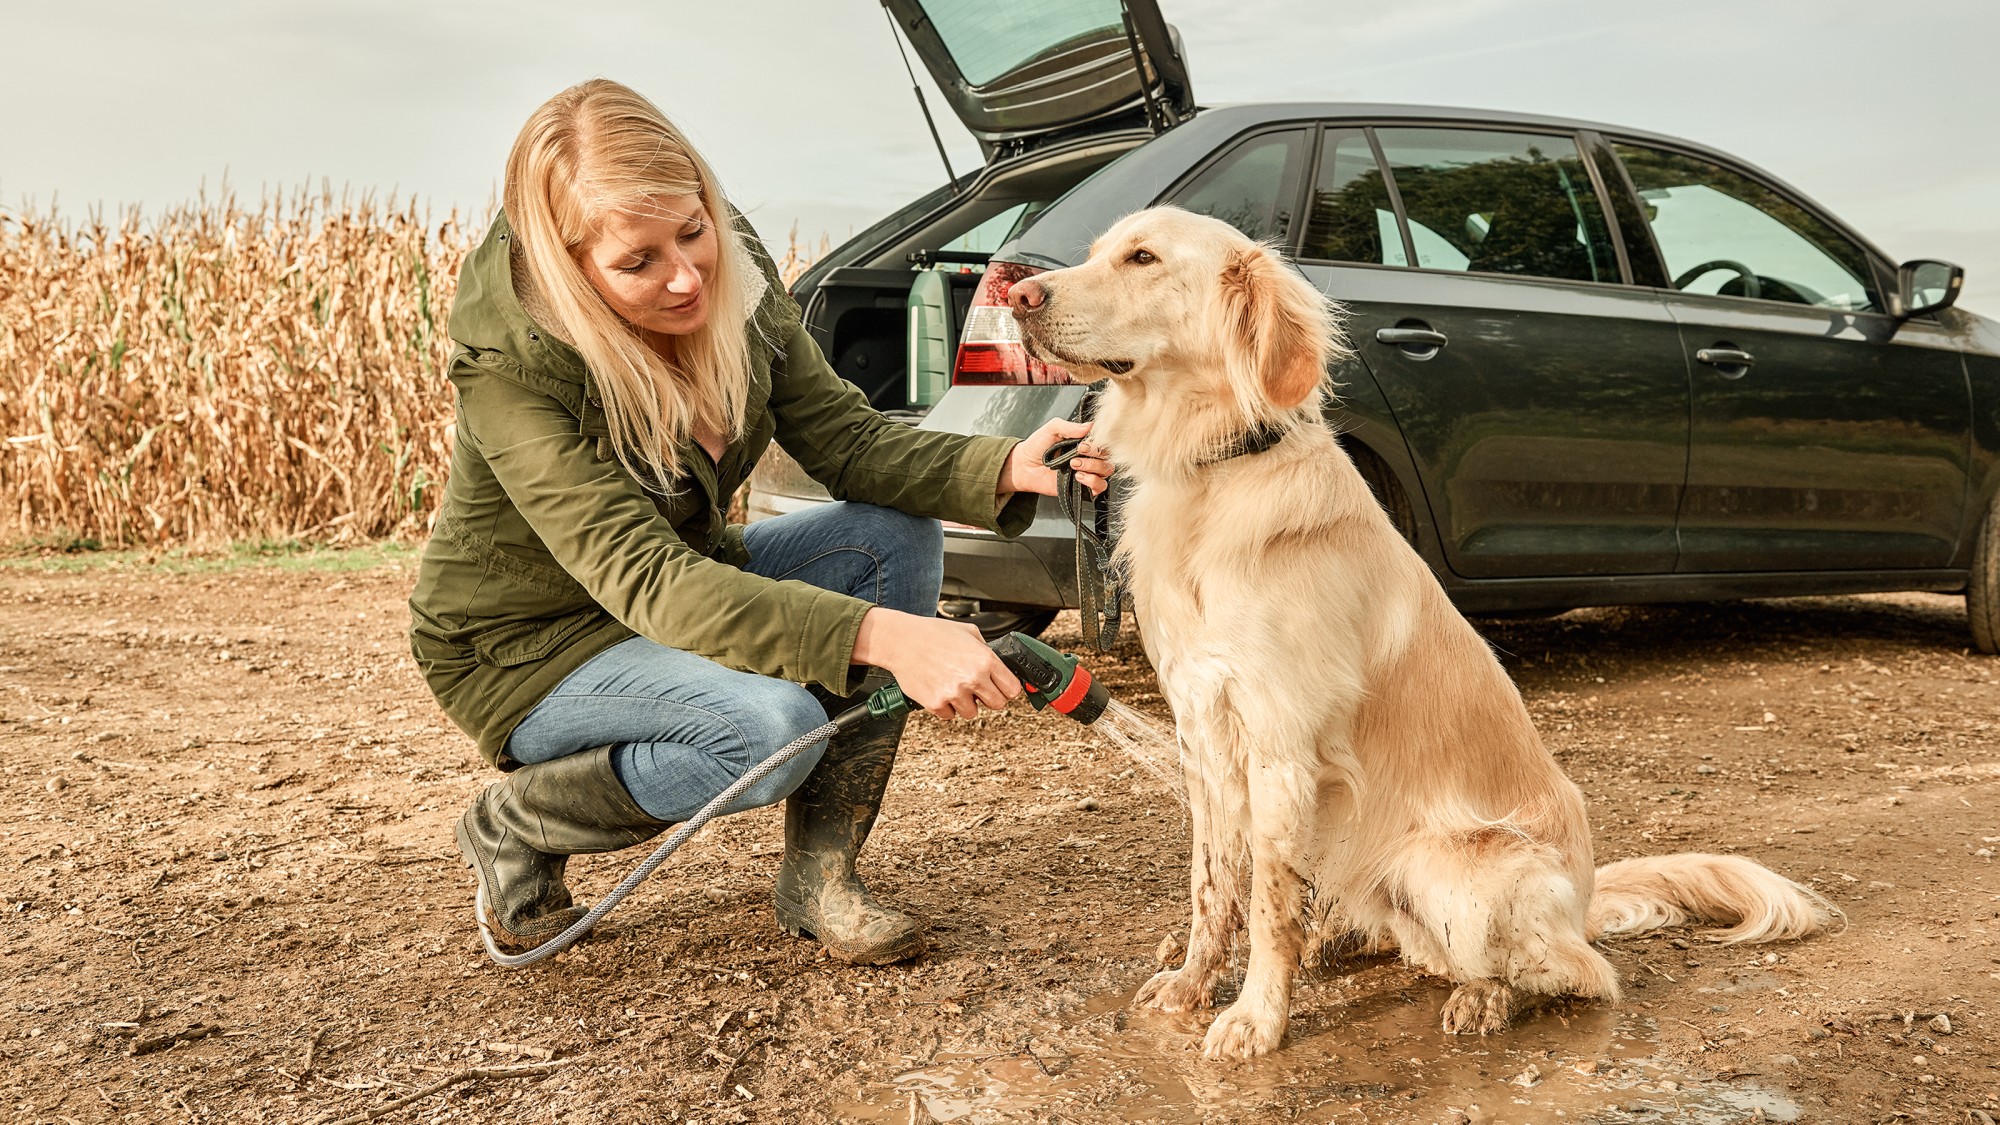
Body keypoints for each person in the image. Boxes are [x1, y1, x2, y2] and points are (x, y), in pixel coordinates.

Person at [407, 79, 1110, 966]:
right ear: (568, 267)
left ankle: (820, 878)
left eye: (693, 230)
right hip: (529, 647)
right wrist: (893, 639)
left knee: (895, 538)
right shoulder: (516, 375)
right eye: (638, 262)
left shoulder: (732, 278)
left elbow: (850, 442)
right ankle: (516, 821)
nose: (687, 275)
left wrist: (1006, 465)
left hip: (680, 582)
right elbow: (651, 581)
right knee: (767, 730)